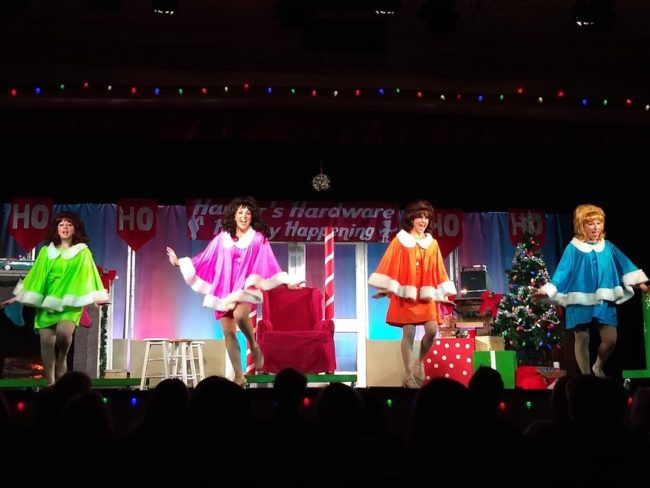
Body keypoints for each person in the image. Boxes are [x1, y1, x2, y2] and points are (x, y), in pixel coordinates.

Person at [167, 196, 301, 387]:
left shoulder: (258, 239)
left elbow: (270, 264)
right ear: (234, 215)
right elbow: (204, 258)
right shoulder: (222, 238)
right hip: (223, 290)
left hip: (245, 288)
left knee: (240, 315)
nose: (244, 216)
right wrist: (179, 262)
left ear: (252, 216)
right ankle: (239, 375)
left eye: (248, 213)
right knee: (228, 332)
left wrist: (286, 283)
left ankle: (254, 345)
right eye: (240, 212)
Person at [536, 204, 649, 377]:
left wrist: (639, 282)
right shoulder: (573, 248)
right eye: (590, 223)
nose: (596, 227)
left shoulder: (608, 246)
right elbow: (562, 272)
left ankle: (598, 366)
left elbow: (624, 264)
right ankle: (587, 378)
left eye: (599, 222)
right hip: (579, 299)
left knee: (610, 339)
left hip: (604, 298)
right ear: (582, 225)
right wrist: (549, 289)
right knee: (582, 337)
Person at [8, 212, 109, 385]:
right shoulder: (46, 252)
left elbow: (89, 274)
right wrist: (18, 297)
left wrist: (96, 296)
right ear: (56, 228)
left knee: (63, 335)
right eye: (61, 224)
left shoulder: (82, 252)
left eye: (69, 224)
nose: (65, 228)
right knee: (46, 343)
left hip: (69, 303)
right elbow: (35, 276)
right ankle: (51, 384)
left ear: (75, 229)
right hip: (47, 302)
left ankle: (62, 359)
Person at [368, 199, 456, 388]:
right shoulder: (400, 241)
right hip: (407, 294)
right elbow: (390, 264)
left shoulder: (432, 244)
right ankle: (408, 375)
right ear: (411, 219)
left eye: (425, 217)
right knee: (408, 333)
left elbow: (439, 270)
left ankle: (420, 360)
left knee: (432, 331)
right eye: (419, 216)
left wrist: (444, 295)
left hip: (426, 295)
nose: (422, 221)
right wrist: (386, 289)